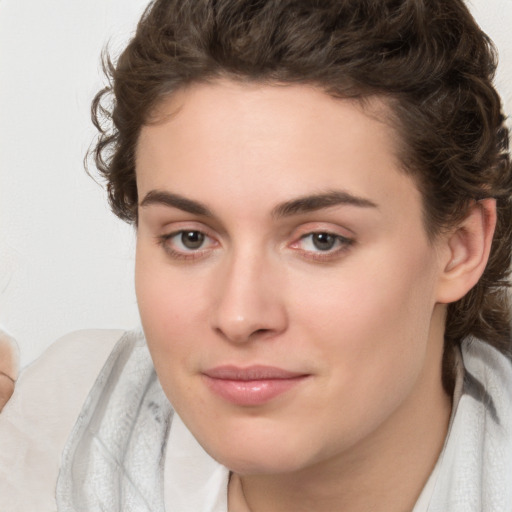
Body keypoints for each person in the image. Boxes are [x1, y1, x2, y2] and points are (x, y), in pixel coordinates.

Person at [0, 0, 511, 510]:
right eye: (191, 238)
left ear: (458, 248)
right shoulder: (55, 422)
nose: (239, 316)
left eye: (321, 240)